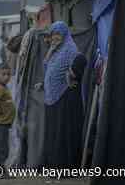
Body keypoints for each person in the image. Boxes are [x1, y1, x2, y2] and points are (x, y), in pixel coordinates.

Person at [42, 21, 87, 169]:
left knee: (63, 132)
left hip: (66, 98)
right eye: (53, 34)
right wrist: (51, 50)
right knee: (54, 132)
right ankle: (54, 164)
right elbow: (47, 68)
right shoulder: (56, 52)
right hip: (53, 98)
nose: (55, 37)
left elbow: (77, 67)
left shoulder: (71, 50)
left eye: (58, 33)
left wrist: (69, 76)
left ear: (64, 34)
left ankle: (65, 166)